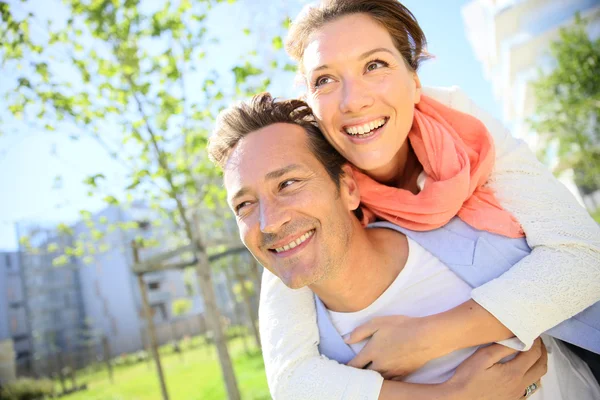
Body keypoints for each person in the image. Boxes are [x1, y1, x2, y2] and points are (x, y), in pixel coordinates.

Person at [239, 1, 600, 398]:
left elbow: (584, 259)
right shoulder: (313, 180)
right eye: (324, 79)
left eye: (374, 65)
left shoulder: (460, 125)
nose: (353, 101)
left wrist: (430, 337)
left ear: (414, 82)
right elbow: (291, 378)